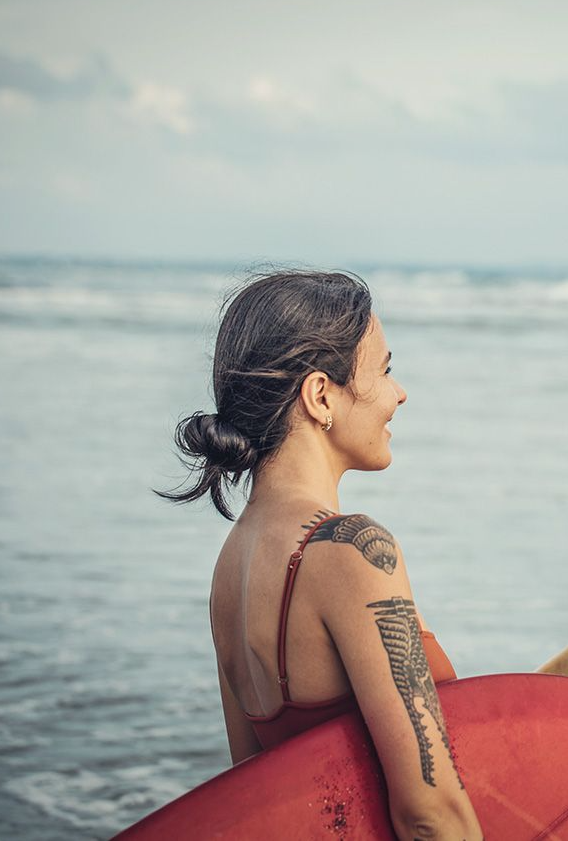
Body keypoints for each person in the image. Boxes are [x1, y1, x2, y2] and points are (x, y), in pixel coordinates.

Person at [159, 270, 482, 841]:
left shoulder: (231, 566)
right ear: (320, 395)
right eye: (383, 370)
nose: (398, 392)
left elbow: (254, 793)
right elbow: (429, 812)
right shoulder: (350, 551)